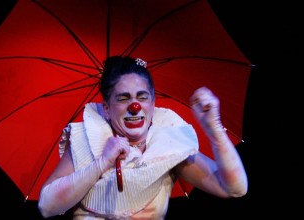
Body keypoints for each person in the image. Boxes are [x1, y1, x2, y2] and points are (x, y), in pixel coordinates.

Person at [38, 56, 248, 219]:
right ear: (107, 109)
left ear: (153, 103)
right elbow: (47, 207)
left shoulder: (168, 144)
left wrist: (214, 129)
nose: (134, 106)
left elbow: (234, 188)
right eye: (123, 98)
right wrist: (102, 163)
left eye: (142, 96)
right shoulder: (87, 140)